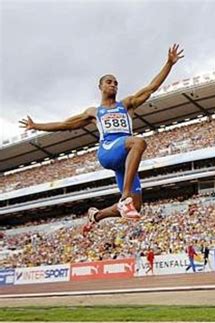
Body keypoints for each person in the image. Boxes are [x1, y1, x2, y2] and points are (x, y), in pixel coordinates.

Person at [19, 44, 184, 235]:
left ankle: (96, 216)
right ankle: (124, 198)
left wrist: (169, 64)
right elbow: (65, 125)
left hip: (125, 160)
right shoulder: (94, 112)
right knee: (138, 142)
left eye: (115, 82)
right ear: (100, 87)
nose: (113, 84)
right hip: (108, 151)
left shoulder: (127, 104)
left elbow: (152, 88)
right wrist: (36, 125)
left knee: (136, 207)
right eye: (109, 82)